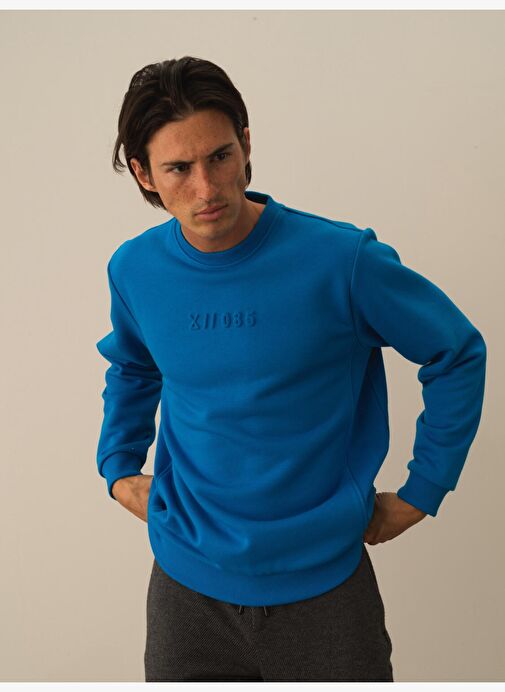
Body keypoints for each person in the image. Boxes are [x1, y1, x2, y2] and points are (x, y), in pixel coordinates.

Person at [95, 56, 487, 682]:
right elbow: (134, 366)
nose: (207, 188)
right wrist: (118, 466)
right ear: (144, 173)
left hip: (325, 593)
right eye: (179, 168)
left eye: (220, 156)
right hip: (185, 589)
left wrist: (425, 489)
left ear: (246, 145)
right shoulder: (135, 269)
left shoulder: (341, 261)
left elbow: (455, 351)